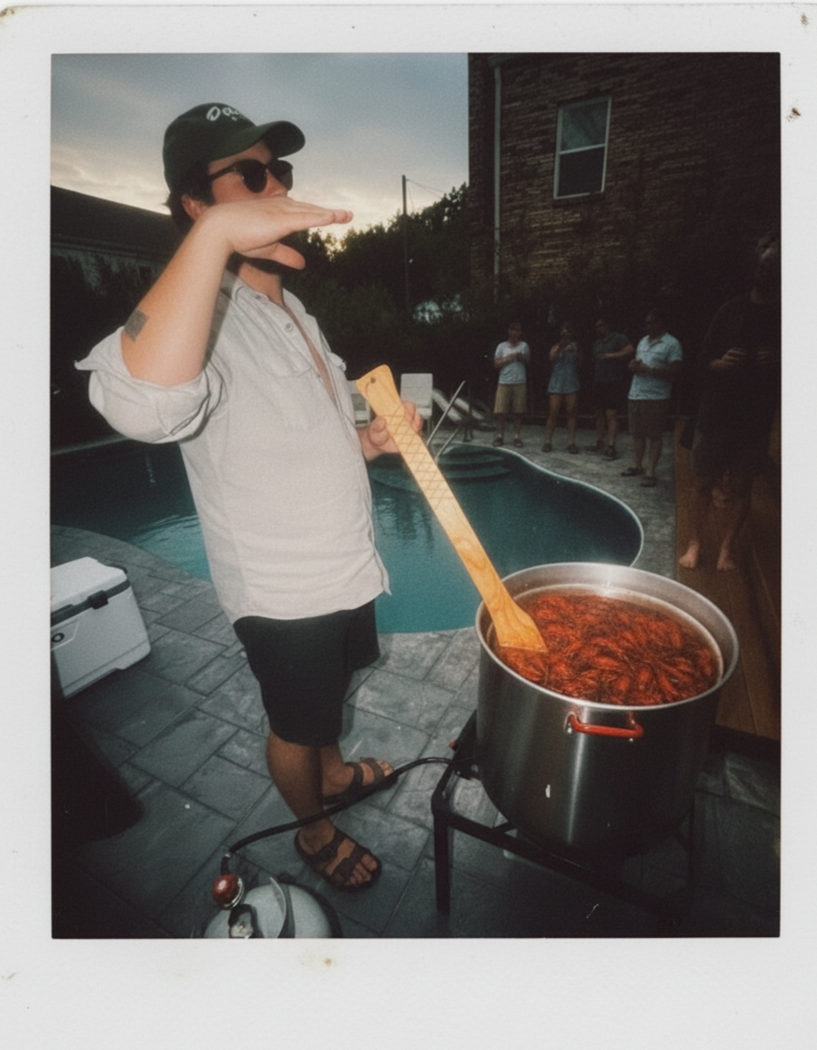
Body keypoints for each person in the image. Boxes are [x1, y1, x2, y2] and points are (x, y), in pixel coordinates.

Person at [76, 102, 421, 893]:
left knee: (330, 698)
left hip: (343, 563)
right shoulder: (198, 320)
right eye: (254, 175)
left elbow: (315, 426)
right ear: (196, 205)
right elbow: (139, 406)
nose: (278, 190)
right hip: (283, 588)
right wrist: (209, 248)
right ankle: (314, 829)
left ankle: (332, 776)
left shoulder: (291, 308)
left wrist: (366, 441)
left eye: (281, 173)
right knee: (292, 727)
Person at [679, 229, 780, 570]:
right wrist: (720, 363)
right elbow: (702, 359)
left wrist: (780, 361)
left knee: (740, 485)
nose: (765, 274)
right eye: (762, 268)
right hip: (718, 412)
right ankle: (694, 544)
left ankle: (726, 549)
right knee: (703, 482)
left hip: (755, 417)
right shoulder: (730, 311)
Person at [620, 309, 682, 486]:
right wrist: (632, 365)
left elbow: (676, 370)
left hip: (656, 396)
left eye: (651, 322)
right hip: (636, 393)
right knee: (637, 434)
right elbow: (637, 364)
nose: (647, 326)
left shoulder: (672, 344)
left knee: (654, 435)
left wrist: (650, 371)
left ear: (660, 323)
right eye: (646, 323)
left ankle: (651, 471)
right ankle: (637, 465)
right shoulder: (642, 342)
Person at [586, 318, 634, 460]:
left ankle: (611, 446)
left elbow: (630, 349)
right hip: (599, 381)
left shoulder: (618, 338)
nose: (597, 329)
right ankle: (599, 440)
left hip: (614, 381)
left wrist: (612, 355)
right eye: (595, 327)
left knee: (611, 414)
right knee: (598, 412)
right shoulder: (597, 343)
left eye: (599, 326)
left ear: (606, 326)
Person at [542, 321, 581, 453]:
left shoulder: (575, 346)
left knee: (572, 413)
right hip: (556, 383)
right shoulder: (555, 346)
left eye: (568, 331)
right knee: (553, 413)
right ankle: (548, 441)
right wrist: (560, 348)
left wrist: (575, 350)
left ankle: (571, 443)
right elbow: (551, 357)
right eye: (563, 331)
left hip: (571, 382)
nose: (565, 333)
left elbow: (581, 361)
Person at [492, 321, 530, 447]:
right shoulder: (501, 346)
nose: (516, 333)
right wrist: (510, 358)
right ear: (509, 331)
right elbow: (496, 364)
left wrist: (521, 357)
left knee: (518, 412)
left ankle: (517, 437)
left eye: (518, 330)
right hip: (504, 382)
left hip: (520, 382)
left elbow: (528, 361)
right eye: (513, 330)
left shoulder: (524, 346)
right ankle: (500, 436)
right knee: (501, 412)